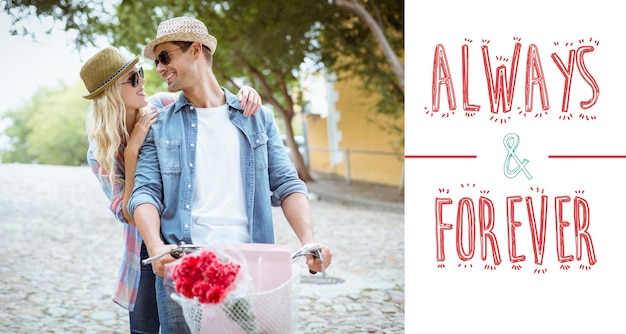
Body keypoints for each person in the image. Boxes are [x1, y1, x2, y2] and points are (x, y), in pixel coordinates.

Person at [127, 16, 333, 333]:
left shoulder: (258, 118)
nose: (159, 68)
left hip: (254, 268)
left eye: (165, 57)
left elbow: (288, 184)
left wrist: (309, 241)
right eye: (156, 61)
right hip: (182, 269)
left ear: (195, 50)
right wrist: (155, 247)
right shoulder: (161, 123)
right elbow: (145, 193)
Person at [80, 45, 262, 334]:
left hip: (188, 232)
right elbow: (128, 214)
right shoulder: (100, 152)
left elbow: (211, 103)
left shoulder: (164, 104)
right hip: (144, 246)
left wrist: (245, 93)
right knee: (144, 327)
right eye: (133, 79)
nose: (143, 81)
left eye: (140, 73)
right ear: (112, 93)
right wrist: (133, 152)